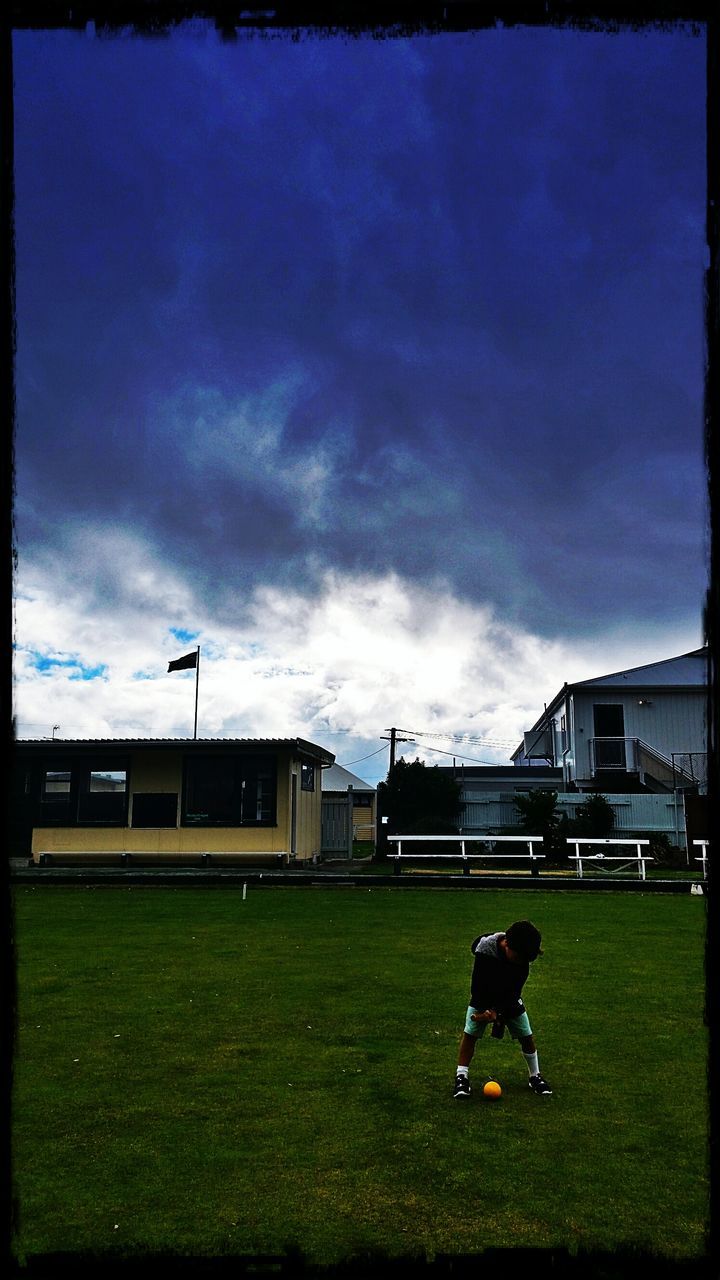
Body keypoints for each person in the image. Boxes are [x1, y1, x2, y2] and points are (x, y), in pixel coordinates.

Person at [453, 919, 552, 1098]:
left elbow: (514, 991)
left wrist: (498, 1012)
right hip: (482, 996)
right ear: (506, 943)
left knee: (526, 1036)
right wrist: (486, 1011)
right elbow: (477, 987)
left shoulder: (522, 958)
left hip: (509, 997)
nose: (521, 962)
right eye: (518, 957)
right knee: (470, 1033)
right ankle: (461, 1077)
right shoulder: (485, 950)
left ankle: (535, 1075)